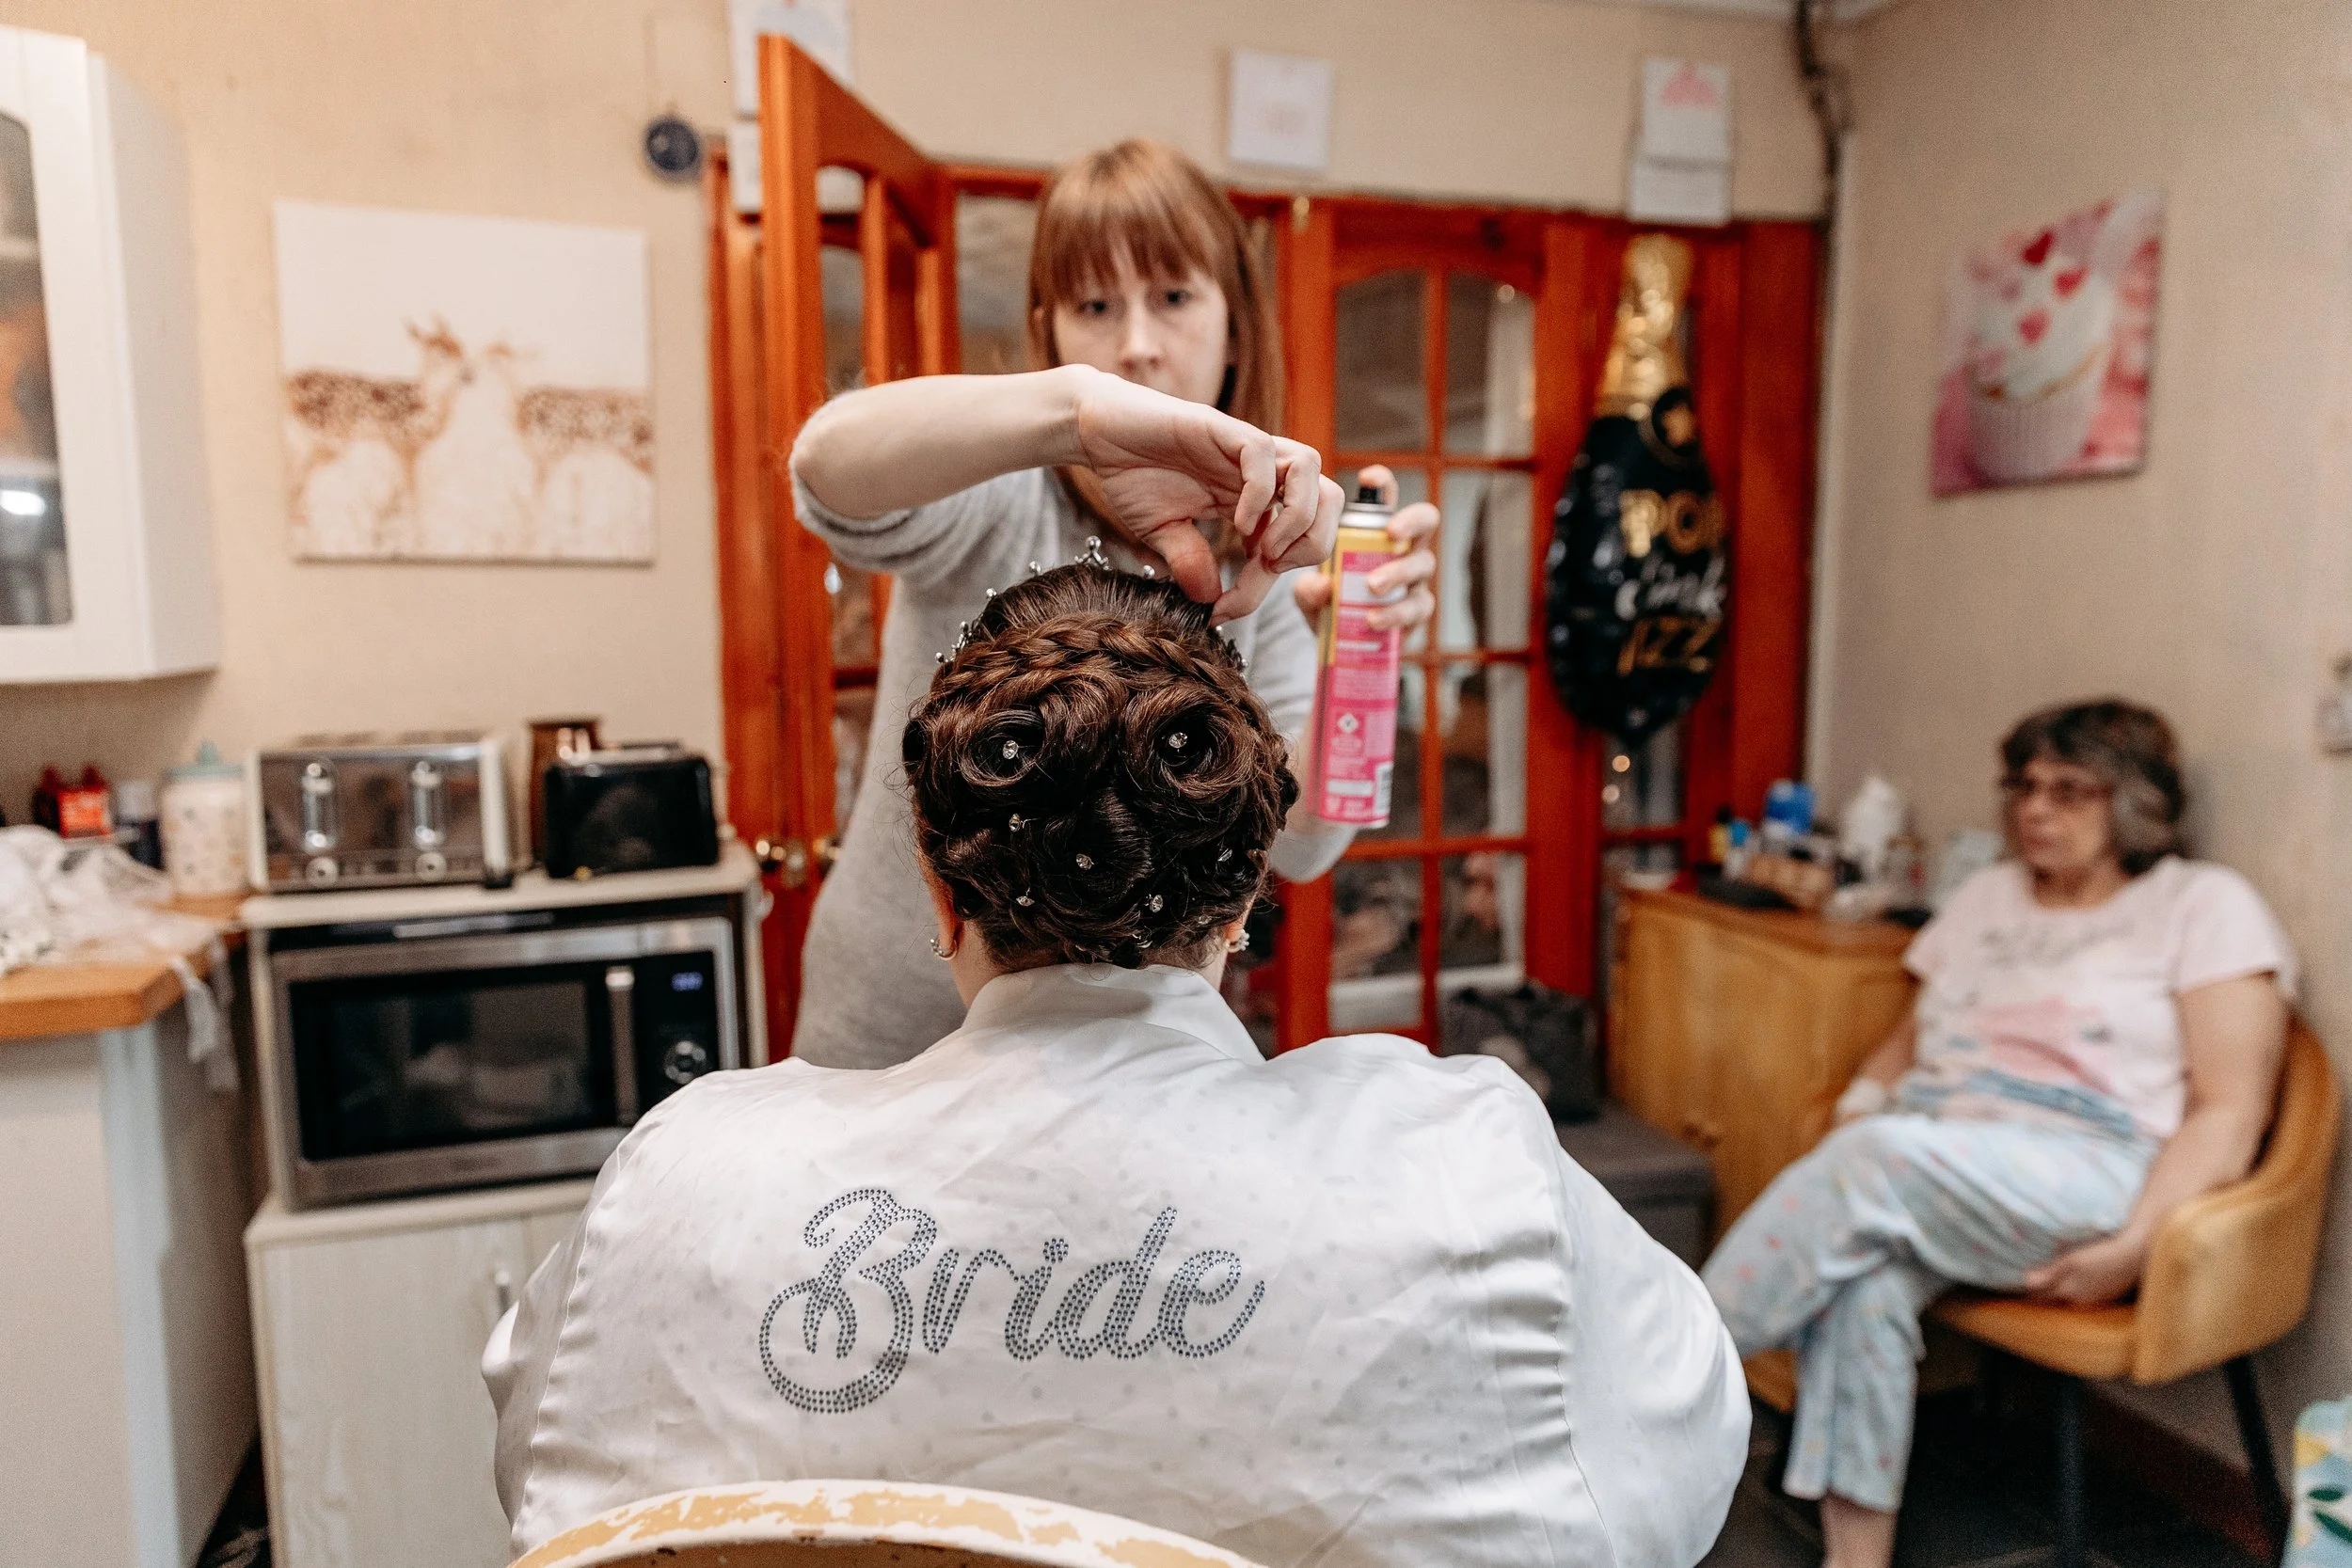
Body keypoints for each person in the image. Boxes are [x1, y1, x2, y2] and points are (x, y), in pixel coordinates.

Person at [487, 564, 1748, 1568]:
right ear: (1244, 883)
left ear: (937, 887)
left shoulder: (679, 1185)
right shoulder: (1461, 1171)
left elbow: (538, 1471)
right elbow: (1682, 1458)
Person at [787, 138, 1441, 1069]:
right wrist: (1075, 417)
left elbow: (1301, 847)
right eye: (1096, 307)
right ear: (1051, 333)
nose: (1136, 342)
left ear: (1236, 325)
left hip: (1134, 1060)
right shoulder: (996, 497)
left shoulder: (1274, 553)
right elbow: (826, 465)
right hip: (898, 1025)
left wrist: (1354, 667)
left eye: (1173, 298)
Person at [1703, 700, 2296, 1568]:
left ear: (2133, 800)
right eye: (2023, 786)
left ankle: (1666, 1370)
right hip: (1938, 1155)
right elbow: (1904, 1042)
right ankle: (1854, 1560)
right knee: (1864, 1286)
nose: (2035, 809)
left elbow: (2229, 1110)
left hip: (2098, 1169)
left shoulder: (2203, 905)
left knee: (1876, 1162)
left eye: (2069, 790)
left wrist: (2137, 1244)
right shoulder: (1988, 896)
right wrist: (1855, 1116)